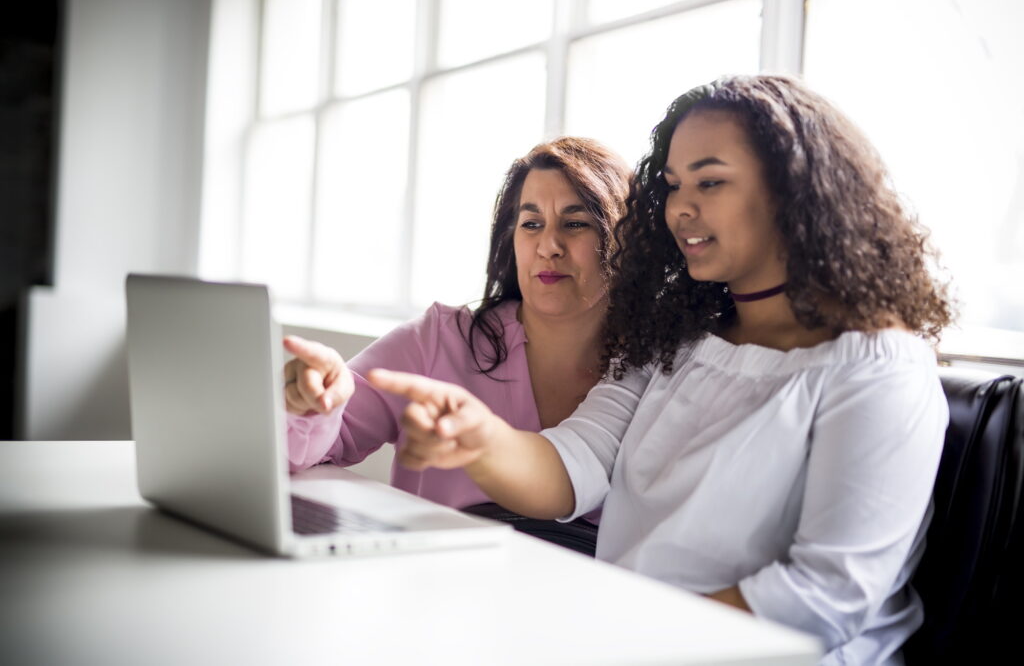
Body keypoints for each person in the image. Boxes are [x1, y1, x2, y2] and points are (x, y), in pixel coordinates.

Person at [368, 75, 954, 664]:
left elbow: (823, 599)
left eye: (710, 182)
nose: (681, 209)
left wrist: (623, 638)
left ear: (793, 192)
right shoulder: (677, 343)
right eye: (673, 186)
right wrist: (481, 438)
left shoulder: (877, 370)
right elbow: (572, 468)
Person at [283, 136, 631, 555]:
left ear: (624, 239)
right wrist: (315, 400)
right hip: (435, 590)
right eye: (531, 223)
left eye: (575, 223)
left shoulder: (655, 371)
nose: (548, 246)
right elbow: (302, 448)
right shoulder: (438, 340)